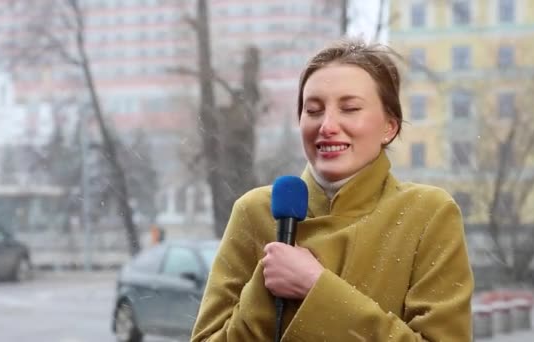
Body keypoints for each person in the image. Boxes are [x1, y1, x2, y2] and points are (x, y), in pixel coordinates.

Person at [191, 38, 473, 341]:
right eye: (313, 110)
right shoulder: (255, 211)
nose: (327, 125)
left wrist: (316, 288)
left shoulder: (428, 213)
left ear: (389, 127)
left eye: (349, 108)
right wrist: (264, 290)